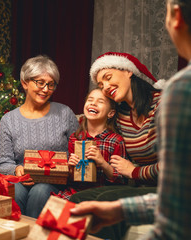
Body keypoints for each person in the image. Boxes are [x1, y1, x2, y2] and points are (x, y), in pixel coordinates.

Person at [71, 0, 191, 239]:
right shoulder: (121, 116)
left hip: (159, 188)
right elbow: (96, 133)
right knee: (77, 202)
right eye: (100, 84)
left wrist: (135, 171)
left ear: (128, 71)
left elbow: (174, 171)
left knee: (96, 205)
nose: (105, 87)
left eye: (108, 77)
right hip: (138, 188)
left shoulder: (166, 100)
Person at [0, 55, 79, 218]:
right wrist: (17, 169)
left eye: (51, 84)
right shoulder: (8, 120)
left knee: (40, 191)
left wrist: (70, 164)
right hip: (23, 180)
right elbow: (4, 163)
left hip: (55, 182)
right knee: (17, 191)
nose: (46, 89)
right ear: (25, 83)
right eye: (40, 82)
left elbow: (77, 151)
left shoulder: (65, 113)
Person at [56, 88, 127, 200]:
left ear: (111, 113)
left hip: (102, 194)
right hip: (75, 191)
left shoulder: (116, 141)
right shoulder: (75, 138)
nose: (93, 103)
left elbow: (121, 180)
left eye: (100, 101)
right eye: (90, 100)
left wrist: (102, 163)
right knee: (55, 210)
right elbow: (68, 179)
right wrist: (70, 167)